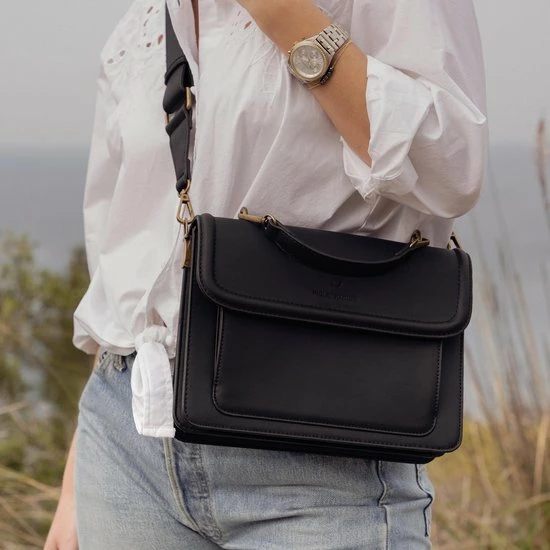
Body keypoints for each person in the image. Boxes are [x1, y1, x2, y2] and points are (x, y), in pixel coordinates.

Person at [45, 0, 488, 548]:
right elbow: (122, 267)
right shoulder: (144, 23)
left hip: (322, 452)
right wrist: (79, 469)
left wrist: (283, 14)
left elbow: (452, 166)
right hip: (126, 448)